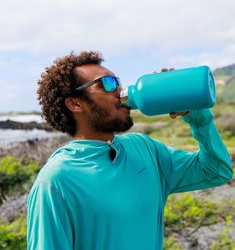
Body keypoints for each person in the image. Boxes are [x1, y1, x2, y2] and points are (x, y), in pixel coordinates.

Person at [27, 51, 233, 250]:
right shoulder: (56, 181)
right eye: (107, 84)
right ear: (75, 103)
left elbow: (216, 171)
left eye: (118, 82)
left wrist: (195, 113)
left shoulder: (144, 148)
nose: (119, 90)